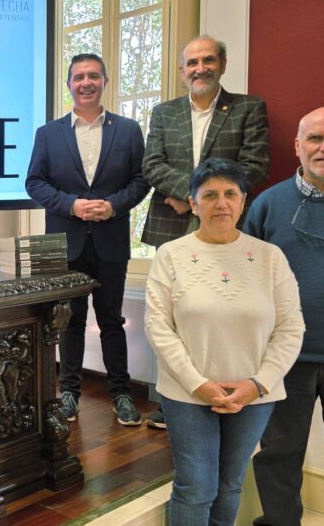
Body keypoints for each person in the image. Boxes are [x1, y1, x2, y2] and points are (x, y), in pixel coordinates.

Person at [145, 157, 304, 526]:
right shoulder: (171, 256)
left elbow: (291, 327)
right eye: (210, 194)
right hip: (188, 393)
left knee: (231, 484)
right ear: (194, 202)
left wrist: (257, 384)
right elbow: (158, 326)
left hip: (254, 395)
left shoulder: (270, 258)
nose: (221, 203)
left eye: (231, 193)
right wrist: (198, 384)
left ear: (243, 201)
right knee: (195, 488)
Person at [141, 35, 271, 429]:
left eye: (208, 60)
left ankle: (225, 390)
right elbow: (152, 165)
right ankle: (173, 399)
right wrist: (190, 195)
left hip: (228, 229)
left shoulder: (248, 108)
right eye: (192, 62)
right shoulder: (165, 113)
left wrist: (205, 202)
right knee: (171, 316)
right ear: (182, 71)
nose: (200, 68)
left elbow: (255, 165)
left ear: (222, 64)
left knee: (223, 312)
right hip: (172, 223)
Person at [26, 53, 150, 426]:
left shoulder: (128, 131)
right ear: (69, 85)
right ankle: (69, 394)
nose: (86, 82)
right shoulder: (48, 134)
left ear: (105, 82)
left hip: (111, 242)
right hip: (67, 243)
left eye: (93, 75)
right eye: (79, 77)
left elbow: (141, 181)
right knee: (70, 321)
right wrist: (72, 205)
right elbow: (34, 183)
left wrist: (112, 206)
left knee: (112, 321)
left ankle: (122, 394)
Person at [246, 106, 324, 526]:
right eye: (316, 138)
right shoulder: (267, 205)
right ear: (297, 146)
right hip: (285, 360)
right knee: (279, 457)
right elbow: (245, 281)